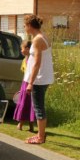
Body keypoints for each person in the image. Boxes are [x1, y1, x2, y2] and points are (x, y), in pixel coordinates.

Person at [24, 14, 54, 144]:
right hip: (43, 78)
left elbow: (37, 63)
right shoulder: (43, 36)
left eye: (25, 26)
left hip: (39, 79)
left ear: (30, 26)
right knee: (39, 107)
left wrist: (31, 82)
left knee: (38, 108)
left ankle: (41, 137)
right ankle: (40, 134)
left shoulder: (37, 40)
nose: (24, 28)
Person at [12, 39, 34, 132]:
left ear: (28, 49)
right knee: (27, 104)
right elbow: (24, 72)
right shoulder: (25, 59)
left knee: (26, 104)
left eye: (22, 49)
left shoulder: (31, 59)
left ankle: (21, 124)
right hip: (26, 83)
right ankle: (28, 126)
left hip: (28, 84)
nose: (21, 51)